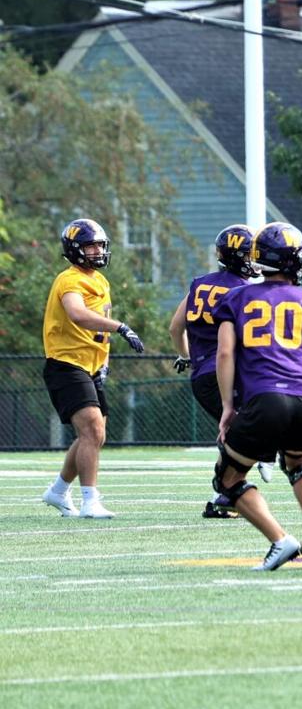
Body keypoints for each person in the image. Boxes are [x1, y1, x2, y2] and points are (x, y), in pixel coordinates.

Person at [213, 222, 302, 571]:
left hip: (263, 399)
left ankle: (281, 540)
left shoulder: (235, 298)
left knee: (228, 478)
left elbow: (225, 355)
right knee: (300, 463)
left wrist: (227, 405)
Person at [39, 218, 146, 519]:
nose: (98, 250)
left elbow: (100, 331)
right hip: (66, 363)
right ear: (75, 250)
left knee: (95, 436)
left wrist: (105, 364)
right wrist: (122, 326)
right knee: (92, 429)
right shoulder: (69, 279)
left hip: (90, 365)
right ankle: (90, 500)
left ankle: (58, 492)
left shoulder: (101, 281)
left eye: (100, 244)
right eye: (90, 245)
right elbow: (78, 315)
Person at [168, 224, 265, 519]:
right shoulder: (245, 290)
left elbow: (175, 327)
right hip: (229, 373)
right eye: (251, 254)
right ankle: (224, 493)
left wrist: (186, 357)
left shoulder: (200, 284)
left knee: (238, 430)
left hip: (202, 376)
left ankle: (226, 492)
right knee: (243, 430)